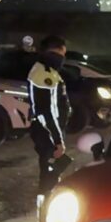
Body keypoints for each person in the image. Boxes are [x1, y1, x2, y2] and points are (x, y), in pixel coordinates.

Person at [28, 35, 71, 195]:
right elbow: (46, 111)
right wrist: (57, 140)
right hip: (47, 133)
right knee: (49, 178)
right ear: (56, 51)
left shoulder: (49, 71)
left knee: (52, 175)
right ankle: (45, 210)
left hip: (49, 132)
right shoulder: (44, 73)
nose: (63, 58)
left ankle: (48, 204)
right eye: (62, 53)